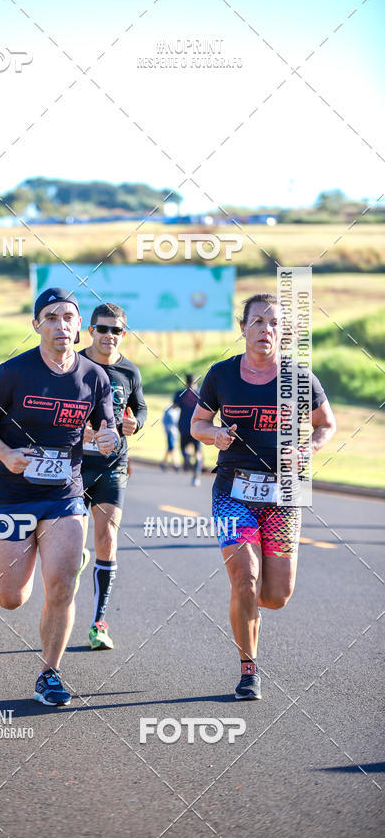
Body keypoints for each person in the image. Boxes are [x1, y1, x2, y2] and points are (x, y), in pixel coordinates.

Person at [0, 287, 118, 706]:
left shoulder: (94, 377)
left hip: (65, 494)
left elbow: (107, 428)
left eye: (68, 317)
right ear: (37, 325)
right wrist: (5, 454)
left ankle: (49, 674)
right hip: (12, 494)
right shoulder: (13, 372)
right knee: (12, 598)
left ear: (78, 325)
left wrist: (109, 438)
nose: (61, 325)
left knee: (62, 585)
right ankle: (3, 580)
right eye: (51, 317)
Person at [191, 293, 336, 701]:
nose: (265, 330)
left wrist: (306, 449)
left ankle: (249, 607)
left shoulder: (298, 377)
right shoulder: (221, 374)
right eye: (257, 321)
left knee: (276, 595)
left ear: (283, 332)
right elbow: (198, 424)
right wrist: (215, 435)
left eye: (274, 323)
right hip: (232, 490)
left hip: (284, 493)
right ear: (243, 328)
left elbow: (326, 424)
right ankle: (248, 670)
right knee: (245, 579)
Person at [79, 303, 147, 650]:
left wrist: (136, 423)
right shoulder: (73, 364)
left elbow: (141, 407)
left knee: (106, 537)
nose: (109, 335)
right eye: (102, 329)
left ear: (124, 333)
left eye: (116, 330)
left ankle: (98, 623)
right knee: (69, 544)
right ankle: (73, 558)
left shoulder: (129, 371)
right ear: (90, 331)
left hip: (112, 465)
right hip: (74, 466)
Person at [174, 374, 203, 486]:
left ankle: (187, 460)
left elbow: (174, 406)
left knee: (183, 448)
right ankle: (196, 476)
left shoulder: (180, 393)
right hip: (198, 426)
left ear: (186, 383)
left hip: (184, 426)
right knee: (198, 452)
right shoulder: (201, 393)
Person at [161, 402, 180, 471]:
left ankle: (164, 463)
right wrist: (168, 429)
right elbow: (164, 421)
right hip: (170, 432)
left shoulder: (178, 409)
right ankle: (175, 464)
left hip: (176, 432)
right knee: (172, 447)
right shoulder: (168, 410)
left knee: (170, 448)